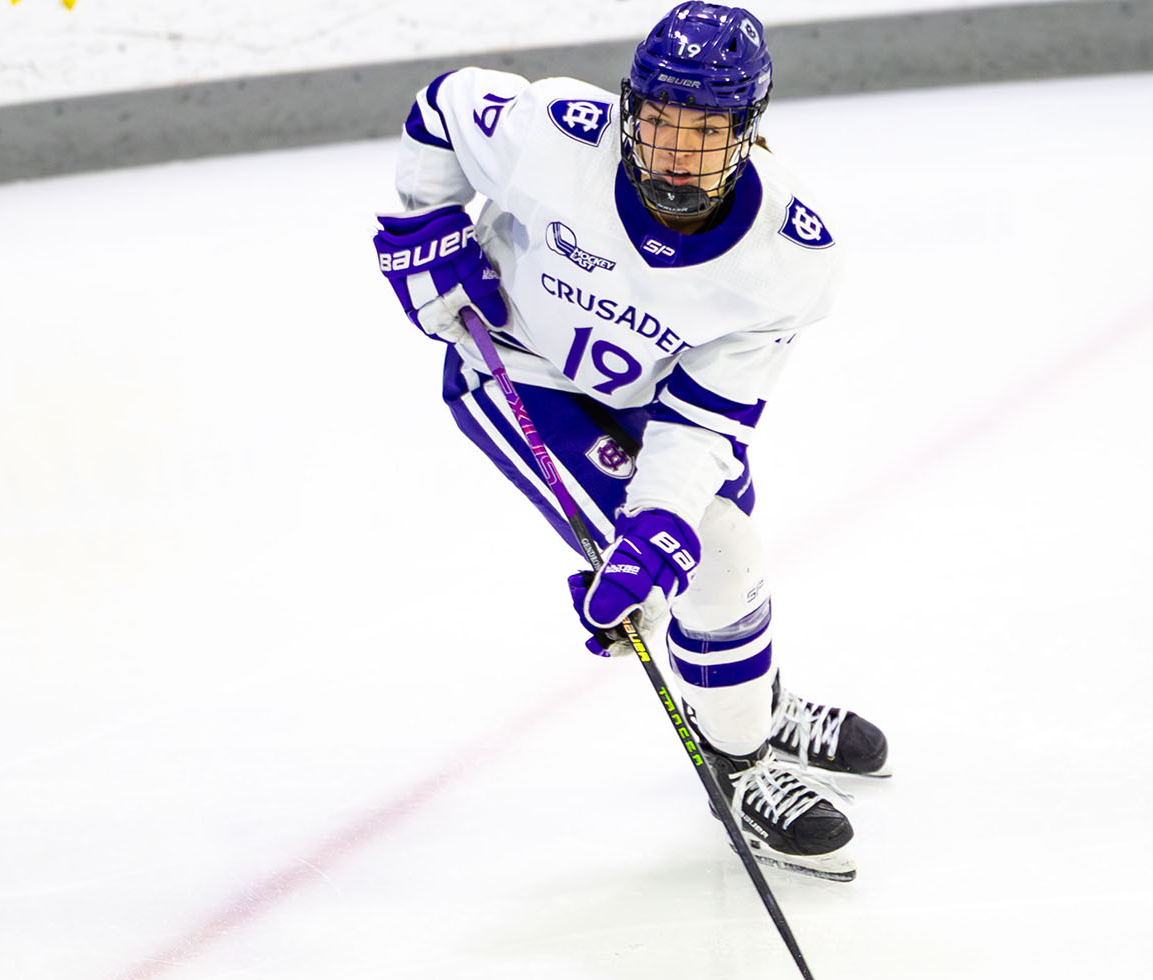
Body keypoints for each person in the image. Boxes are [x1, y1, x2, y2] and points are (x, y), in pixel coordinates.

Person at [371, 2, 888, 881]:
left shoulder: (788, 256)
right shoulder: (554, 137)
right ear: (629, 106)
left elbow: (703, 420)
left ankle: (746, 703)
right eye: (657, 121)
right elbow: (445, 104)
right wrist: (427, 222)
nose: (673, 153)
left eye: (704, 131)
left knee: (712, 554)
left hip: (658, 400)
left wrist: (654, 530)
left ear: (750, 132)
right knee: (717, 556)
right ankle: (741, 762)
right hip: (520, 374)